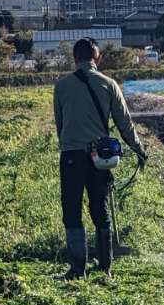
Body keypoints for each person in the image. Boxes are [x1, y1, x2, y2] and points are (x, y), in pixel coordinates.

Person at [53, 37, 147, 279]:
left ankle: (77, 269)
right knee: (100, 208)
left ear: (74, 58)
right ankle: (105, 266)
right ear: (98, 58)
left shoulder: (62, 86)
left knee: (72, 210)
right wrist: (138, 149)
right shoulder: (109, 84)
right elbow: (124, 123)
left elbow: (60, 126)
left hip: (71, 156)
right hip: (100, 156)